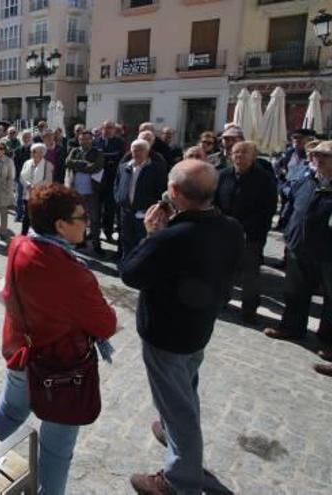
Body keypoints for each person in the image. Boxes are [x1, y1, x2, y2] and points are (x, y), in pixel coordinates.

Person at [122, 159, 243, 495]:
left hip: (167, 335)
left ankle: (179, 480)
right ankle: (177, 437)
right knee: (184, 392)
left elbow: (130, 272)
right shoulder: (230, 226)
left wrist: (151, 236)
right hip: (198, 327)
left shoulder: (171, 238)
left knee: (180, 409)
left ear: (174, 191)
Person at [0, 183, 117, 495]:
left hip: (21, 354)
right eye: (81, 217)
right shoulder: (72, 273)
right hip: (59, 370)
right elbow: (106, 324)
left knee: (9, 414)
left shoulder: (20, 244)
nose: (87, 222)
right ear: (60, 225)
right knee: (56, 452)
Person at [264, 141, 332, 378]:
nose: (319, 159)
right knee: (295, 291)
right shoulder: (307, 179)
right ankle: (291, 328)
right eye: (316, 155)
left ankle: (327, 341)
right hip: (299, 246)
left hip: (328, 253)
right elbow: (291, 201)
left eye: (325, 156)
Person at [214, 141, 277, 323]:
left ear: (253, 156)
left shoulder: (264, 179)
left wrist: (246, 230)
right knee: (224, 270)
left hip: (251, 236)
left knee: (250, 275)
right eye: (236, 153)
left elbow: (267, 210)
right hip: (225, 234)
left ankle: (249, 309)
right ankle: (221, 301)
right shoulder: (223, 175)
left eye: (244, 153)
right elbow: (216, 203)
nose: (239, 156)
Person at [114, 139, 168, 259]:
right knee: (126, 240)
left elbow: (161, 189)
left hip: (145, 212)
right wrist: (119, 198)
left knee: (143, 242)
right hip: (126, 211)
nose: (136, 153)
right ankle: (126, 265)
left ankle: (141, 267)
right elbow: (117, 184)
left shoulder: (156, 168)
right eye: (134, 150)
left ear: (147, 151)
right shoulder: (124, 167)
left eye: (140, 150)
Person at [65, 130, 105, 255]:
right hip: (77, 192)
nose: (84, 141)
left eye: (87, 139)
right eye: (82, 139)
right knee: (79, 218)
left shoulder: (97, 152)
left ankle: (96, 244)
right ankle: (80, 241)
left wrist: (78, 166)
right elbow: (68, 162)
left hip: (91, 192)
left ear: (91, 140)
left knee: (94, 220)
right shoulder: (75, 151)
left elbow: (96, 167)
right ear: (79, 140)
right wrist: (84, 164)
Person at [274, 128, 315, 230]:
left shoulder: (312, 155)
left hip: (302, 189)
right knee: (285, 208)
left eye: (300, 138)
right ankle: (282, 225)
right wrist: (281, 179)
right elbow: (278, 166)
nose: (296, 141)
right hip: (287, 187)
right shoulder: (289, 153)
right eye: (294, 138)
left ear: (309, 140)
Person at [95, 121, 126, 243]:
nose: (108, 130)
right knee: (95, 209)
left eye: (110, 128)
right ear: (102, 128)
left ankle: (108, 233)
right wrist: (108, 157)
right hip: (96, 181)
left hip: (112, 180)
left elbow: (120, 159)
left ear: (114, 129)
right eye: (106, 127)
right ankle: (95, 233)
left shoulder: (120, 142)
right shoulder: (96, 141)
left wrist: (104, 158)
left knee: (109, 208)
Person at [20, 143, 55, 235]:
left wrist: (34, 187)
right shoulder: (27, 163)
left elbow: (48, 181)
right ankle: (24, 235)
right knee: (26, 216)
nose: (32, 153)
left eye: (34, 151)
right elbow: (22, 176)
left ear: (41, 153)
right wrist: (27, 185)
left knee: (37, 216)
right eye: (32, 151)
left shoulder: (48, 165)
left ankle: (37, 235)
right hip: (28, 194)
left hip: (39, 194)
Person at [13, 131, 32, 222]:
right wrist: (17, 176)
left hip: (32, 178)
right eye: (24, 137)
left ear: (31, 138)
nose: (26, 139)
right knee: (19, 197)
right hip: (20, 177)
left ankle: (29, 216)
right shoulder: (17, 150)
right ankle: (18, 215)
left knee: (30, 198)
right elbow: (15, 164)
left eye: (28, 137)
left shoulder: (34, 150)